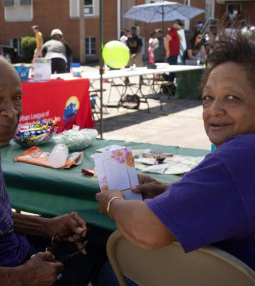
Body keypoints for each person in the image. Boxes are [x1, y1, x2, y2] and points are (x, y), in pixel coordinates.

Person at [96, 30, 255, 277]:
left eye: (232, 98)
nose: (214, 109)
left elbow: (146, 230)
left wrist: (112, 203)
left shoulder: (238, 155)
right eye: (207, 97)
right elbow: (231, 199)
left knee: (101, 265)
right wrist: (172, 193)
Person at [0, 55, 110, 286]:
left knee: (100, 231)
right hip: (5, 273)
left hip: (20, 253)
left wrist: (46, 226)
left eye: (16, 98)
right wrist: (24, 276)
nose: (11, 112)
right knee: (109, 255)